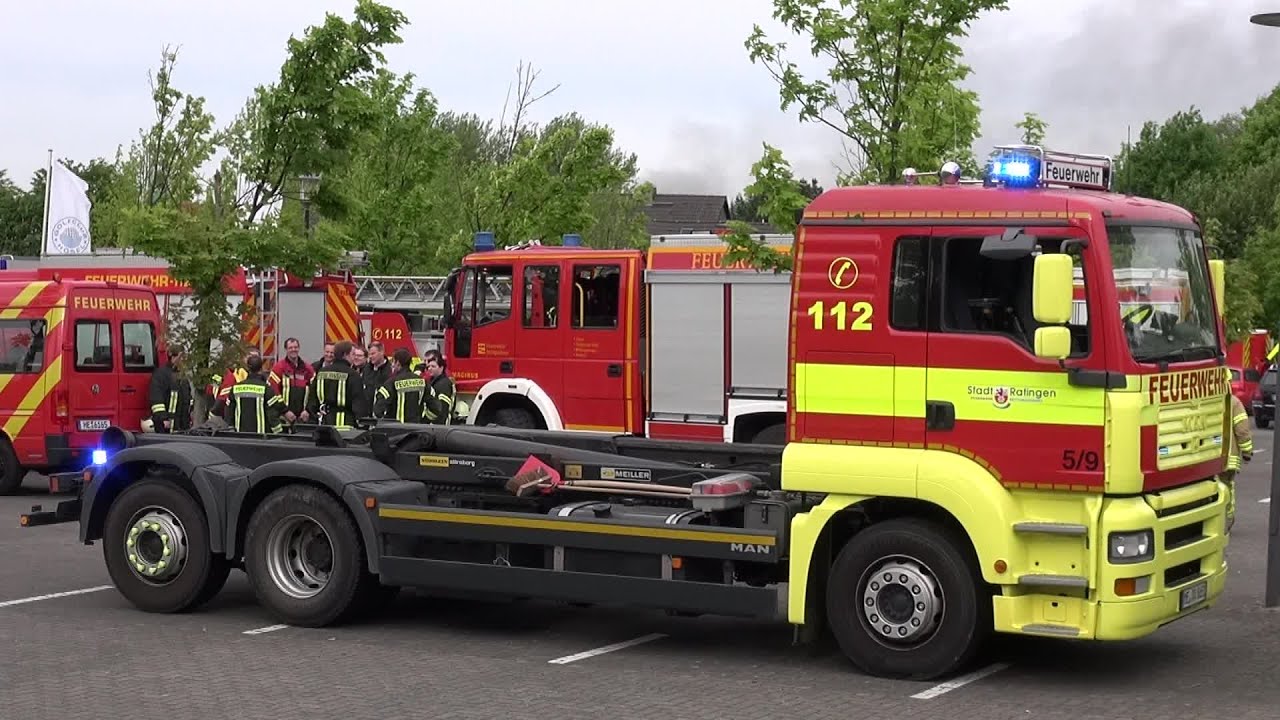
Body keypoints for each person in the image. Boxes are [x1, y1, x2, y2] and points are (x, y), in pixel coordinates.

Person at [303, 340, 367, 428]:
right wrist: (362, 423)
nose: (354, 358)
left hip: (324, 423)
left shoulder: (321, 372)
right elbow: (358, 402)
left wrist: (313, 417)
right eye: (352, 354)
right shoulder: (353, 374)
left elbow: (312, 399)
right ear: (345, 355)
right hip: (345, 424)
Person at [223, 354, 284, 434]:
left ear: (248, 368)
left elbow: (229, 412)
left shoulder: (235, 388)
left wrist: (230, 429)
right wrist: (279, 432)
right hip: (260, 437)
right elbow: (272, 415)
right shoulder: (266, 389)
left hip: (240, 436)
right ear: (261, 368)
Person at [373, 348, 429, 423]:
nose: (392, 365)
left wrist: (386, 421)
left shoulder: (391, 382)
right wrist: (424, 421)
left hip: (397, 428)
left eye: (393, 361)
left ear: (398, 363)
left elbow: (378, 408)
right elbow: (435, 408)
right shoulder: (422, 382)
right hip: (417, 428)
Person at [269, 337, 314, 428]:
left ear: (299, 348)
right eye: (290, 348)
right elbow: (273, 392)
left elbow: (314, 391)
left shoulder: (307, 369)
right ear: (286, 349)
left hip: (303, 417)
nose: (293, 350)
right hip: (284, 417)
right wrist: (285, 411)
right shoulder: (279, 368)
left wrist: (308, 410)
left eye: (295, 347)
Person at [1226, 391, 1254, 532]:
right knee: (1227, 489)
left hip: (1205, 459)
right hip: (1228, 459)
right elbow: (1242, 430)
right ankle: (1226, 520)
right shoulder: (1234, 402)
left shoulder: (1204, 401)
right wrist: (1247, 452)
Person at [148, 345, 192, 433]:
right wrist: (163, 418)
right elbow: (156, 399)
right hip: (166, 425)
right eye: (181, 357)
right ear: (173, 357)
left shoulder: (182, 376)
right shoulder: (161, 374)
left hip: (182, 424)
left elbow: (187, 397)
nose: (183, 360)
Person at [422, 349, 457, 425]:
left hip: (440, 425)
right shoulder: (434, 381)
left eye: (433, 366)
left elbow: (442, 410)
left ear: (441, 367)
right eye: (428, 366)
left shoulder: (444, 384)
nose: (429, 368)